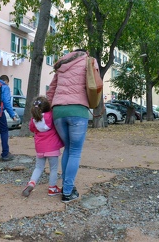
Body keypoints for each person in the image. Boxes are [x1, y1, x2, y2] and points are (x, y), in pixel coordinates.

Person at [46, 49, 99, 203]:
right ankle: (67, 191)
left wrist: (50, 109)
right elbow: (95, 83)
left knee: (68, 149)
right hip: (78, 110)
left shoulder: (62, 64)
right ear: (85, 53)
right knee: (75, 151)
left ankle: (67, 186)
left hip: (58, 112)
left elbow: (51, 91)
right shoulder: (89, 61)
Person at [22, 96, 64, 197]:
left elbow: (32, 129)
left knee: (38, 167)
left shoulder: (34, 120)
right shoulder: (51, 116)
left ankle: (31, 183)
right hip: (52, 148)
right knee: (53, 168)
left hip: (40, 148)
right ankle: (52, 188)